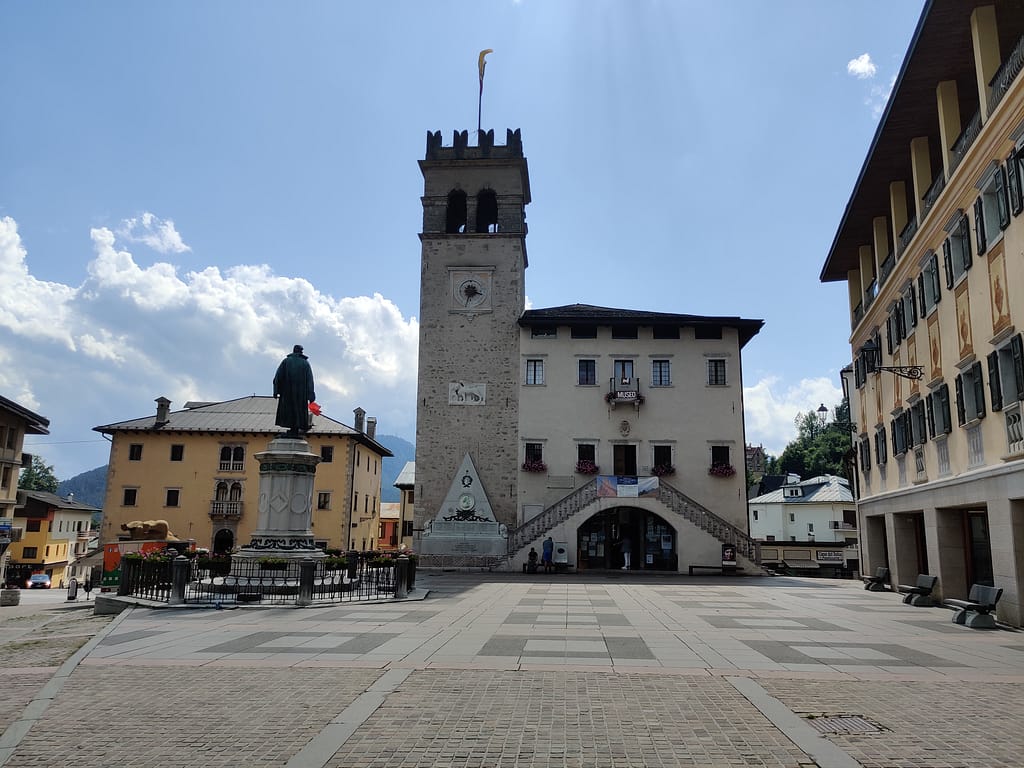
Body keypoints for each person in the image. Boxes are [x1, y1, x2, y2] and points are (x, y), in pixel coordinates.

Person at [273, 345, 316, 436]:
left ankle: (292, 429)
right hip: (301, 394)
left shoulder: (286, 361)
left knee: (288, 410)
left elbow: (278, 377)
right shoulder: (305, 363)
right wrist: (311, 395)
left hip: (287, 393)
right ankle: (295, 429)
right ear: (300, 352)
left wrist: (276, 390)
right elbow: (310, 380)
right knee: (298, 410)